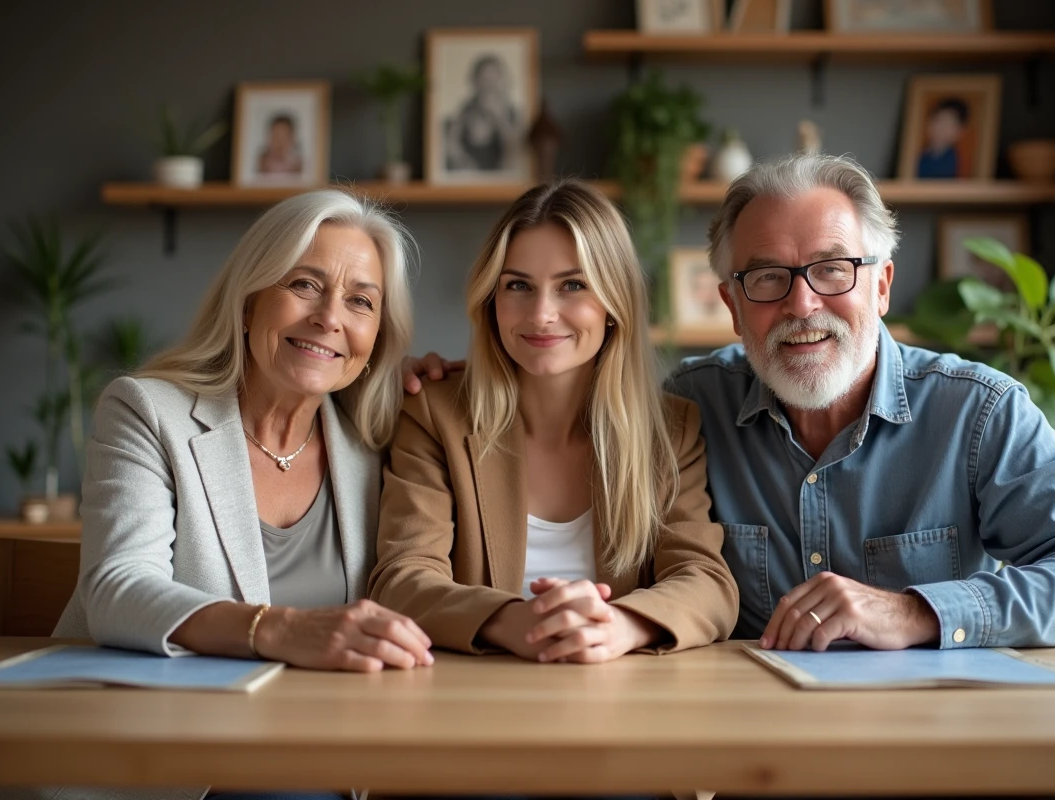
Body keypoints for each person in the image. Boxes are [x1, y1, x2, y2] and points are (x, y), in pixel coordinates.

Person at [667, 152, 1055, 652]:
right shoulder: (688, 409)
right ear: (732, 305)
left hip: (933, 723)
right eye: (768, 277)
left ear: (881, 287)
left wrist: (917, 611)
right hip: (749, 718)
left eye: (833, 270)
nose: (802, 304)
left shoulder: (978, 411)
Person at [51, 190, 434, 800]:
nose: (330, 317)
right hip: (173, 761)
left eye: (360, 302)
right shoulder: (148, 411)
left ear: (375, 342)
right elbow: (116, 589)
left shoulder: (379, 445)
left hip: (329, 756)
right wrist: (277, 629)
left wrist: (442, 387)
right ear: (250, 299)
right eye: (305, 285)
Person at [370, 180, 738, 662]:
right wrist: (511, 619)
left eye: (573, 285)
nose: (542, 314)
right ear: (491, 301)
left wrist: (620, 626)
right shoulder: (433, 413)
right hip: (471, 699)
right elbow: (402, 578)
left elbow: (706, 581)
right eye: (518, 286)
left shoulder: (671, 430)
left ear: (614, 304)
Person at [443, 54, 520, 172]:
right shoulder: (463, 112)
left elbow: (516, 152)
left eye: (493, 79)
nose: (488, 85)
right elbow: (452, 147)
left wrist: (499, 119)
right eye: (484, 79)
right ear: (475, 80)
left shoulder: (511, 113)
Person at [916, 98, 968, 178]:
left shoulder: (951, 160)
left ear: (959, 132)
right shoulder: (920, 154)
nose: (940, 128)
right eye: (938, 120)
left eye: (948, 124)